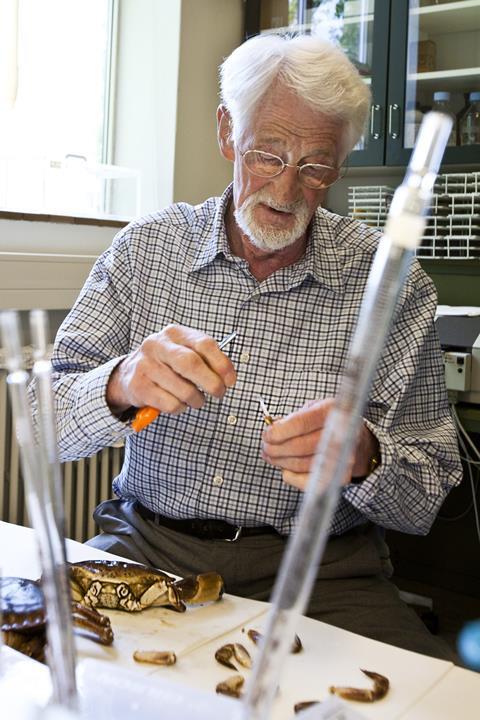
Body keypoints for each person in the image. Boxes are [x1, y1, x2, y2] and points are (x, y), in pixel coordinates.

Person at [34, 34, 462, 660]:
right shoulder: (146, 250)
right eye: (268, 155)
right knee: (57, 671)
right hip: (149, 550)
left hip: (323, 575)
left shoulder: (392, 285)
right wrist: (120, 384)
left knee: (429, 699)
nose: (287, 191)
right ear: (227, 133)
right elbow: (38, 423)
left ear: (339, 165)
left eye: (315, 166)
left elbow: (428, 491)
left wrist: (365, 457)